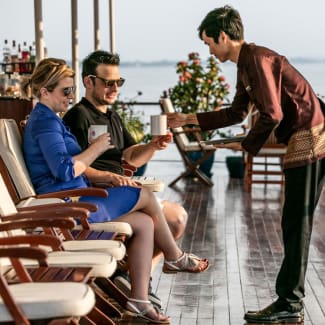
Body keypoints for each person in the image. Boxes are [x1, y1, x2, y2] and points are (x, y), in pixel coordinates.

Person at [167, 5, 325, 324]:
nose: (209, 50)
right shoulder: (247, 63)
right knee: (295, 220)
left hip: (311, 136)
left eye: (209, 43)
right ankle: (289, 300)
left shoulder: (256, 59)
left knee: (298, 221)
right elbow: (237, 112)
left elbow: (273, 114)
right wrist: (191, 119)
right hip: (302, 135)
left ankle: (289, 303)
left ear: (223, 36)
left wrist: (248, 145)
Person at [21, 58, 209, 324]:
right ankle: (174, 256)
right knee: (145, 196)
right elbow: (65, 170)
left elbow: (123, 158)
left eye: (71, 90)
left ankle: (139, 301)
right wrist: (96, 149)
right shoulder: (45, 123)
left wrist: (144, 151)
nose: (70, 96)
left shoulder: (51, 120)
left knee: (145, 222)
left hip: (77, 201)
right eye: (65, 91)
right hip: (69, 208)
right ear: (44, 92)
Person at [62, 50, 188, 305]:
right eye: (108, 82)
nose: (114, 88)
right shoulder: (79, 116)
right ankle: (135, 281)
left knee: (178, 219)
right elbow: (74, 167)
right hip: (100, 197)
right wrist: (108, 177)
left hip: (121, 191)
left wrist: (153, 146)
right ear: (89, 82)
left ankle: (136, 278)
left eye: (119, 82)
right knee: (165, 220)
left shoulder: (113, 116)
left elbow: (130, 157)